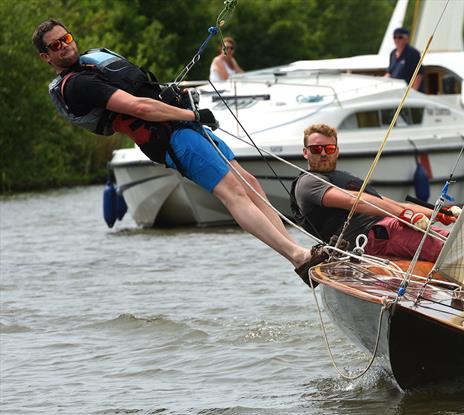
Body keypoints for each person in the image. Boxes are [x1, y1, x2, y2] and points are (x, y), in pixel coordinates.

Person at [33, 19, 324, 285]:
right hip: (170, 138)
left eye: (66, 37)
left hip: (180, 126)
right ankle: (298, 256)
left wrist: (178, 101)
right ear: (46, 57)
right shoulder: (79, 85)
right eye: (55, 45)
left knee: (250, 183)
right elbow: (139, 108)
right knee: (233, 192)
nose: (65, 46)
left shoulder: (90, 64)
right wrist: (193, 116)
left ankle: (297, 254)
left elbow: (147, 94)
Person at [290, 123, 460, 263]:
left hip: (390, 228)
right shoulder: (308, 183)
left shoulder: (342, 179)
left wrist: (439, 214)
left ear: (337, 151)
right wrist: (404, 214)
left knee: (460, 243)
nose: (324, 153)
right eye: (316, 149)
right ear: (305, 152)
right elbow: (354, 201)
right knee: (456, 251)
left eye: (329, 148)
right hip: (374, 236)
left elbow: (392, 204)